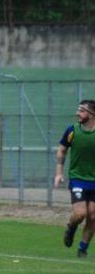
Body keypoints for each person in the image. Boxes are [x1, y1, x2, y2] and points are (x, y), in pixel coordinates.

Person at [54, 99, 95, 258]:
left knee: (93, 216)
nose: (78, 113)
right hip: (78, 178)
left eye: (82, 110)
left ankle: (83, 248)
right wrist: (59, 173)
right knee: (80, 214)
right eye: (78, 109)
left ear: (92, 114)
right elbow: (62, 150)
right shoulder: (72, 130)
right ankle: (71, 227)